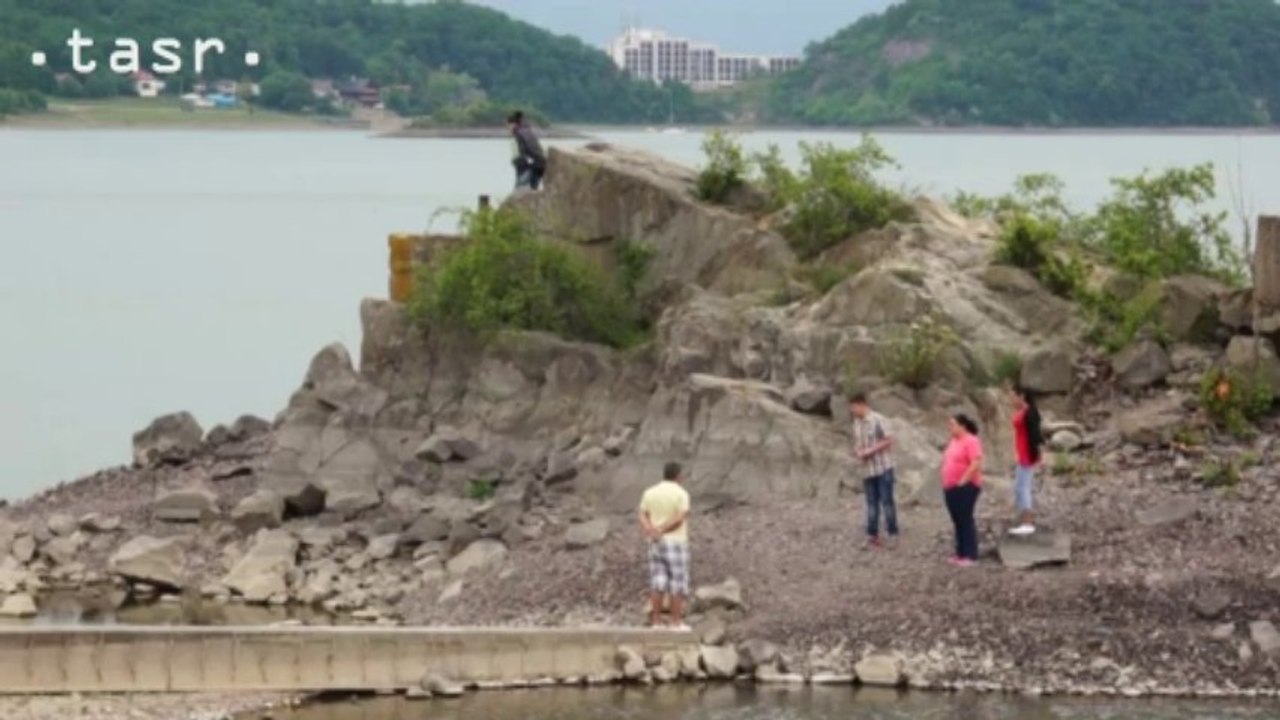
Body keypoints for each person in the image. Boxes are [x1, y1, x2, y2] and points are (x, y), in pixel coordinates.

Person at [639, 461, 692, 629]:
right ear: (678, 475)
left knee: (658, 581)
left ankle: (656, 622)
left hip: (655, 542)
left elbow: (642, 513)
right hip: (675, 541)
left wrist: (650, 529)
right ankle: (675, 622)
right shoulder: (681, 493)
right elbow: (680, 517)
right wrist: (662, 529)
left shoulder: (650, 492)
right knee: (677, 581)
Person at [850, 393, 898, 549]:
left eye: (854, 407)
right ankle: (872, 534)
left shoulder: (878, 419)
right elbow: (858, 442)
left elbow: (889, 439)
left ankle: (892, 533)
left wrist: (870, 451)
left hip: (883, 467)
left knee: (887, 502)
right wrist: (858, 451)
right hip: (867, 469)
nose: (852, 411)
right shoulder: (856, 423)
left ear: (861, 404)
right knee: (871, 503)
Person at [942, 414, 984, 567]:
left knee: (965, 518)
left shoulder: (971, 440)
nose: (950, 427)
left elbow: (976, 462)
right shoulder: (953, 441)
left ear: (962, 426)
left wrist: (963, 480)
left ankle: (971, 555)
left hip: (967, 485)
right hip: (950, 486)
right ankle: (960, 552)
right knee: (957, 519)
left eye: (953, 424)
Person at [1009, 386, 1044, 536]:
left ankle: (1027, 522)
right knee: (1019, 487)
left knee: (1023, 488)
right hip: (1022, 453)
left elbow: (1036, 434)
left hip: (1027, 454)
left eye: (1014, 396)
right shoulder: (1023, 411)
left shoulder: (1029, 412)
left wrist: (1039, 454)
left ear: (1021, 396)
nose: (1012, 400)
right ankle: (1023, 517)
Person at [507, 111, 546, 190]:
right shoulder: (527, 131)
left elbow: (523, 153)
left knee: (519, 189)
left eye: (508, 125)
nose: (508, 128)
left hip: (531, 166)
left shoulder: (519, 134)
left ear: (514, 124)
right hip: (540, 164)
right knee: (532, 189)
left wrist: (516, 161)